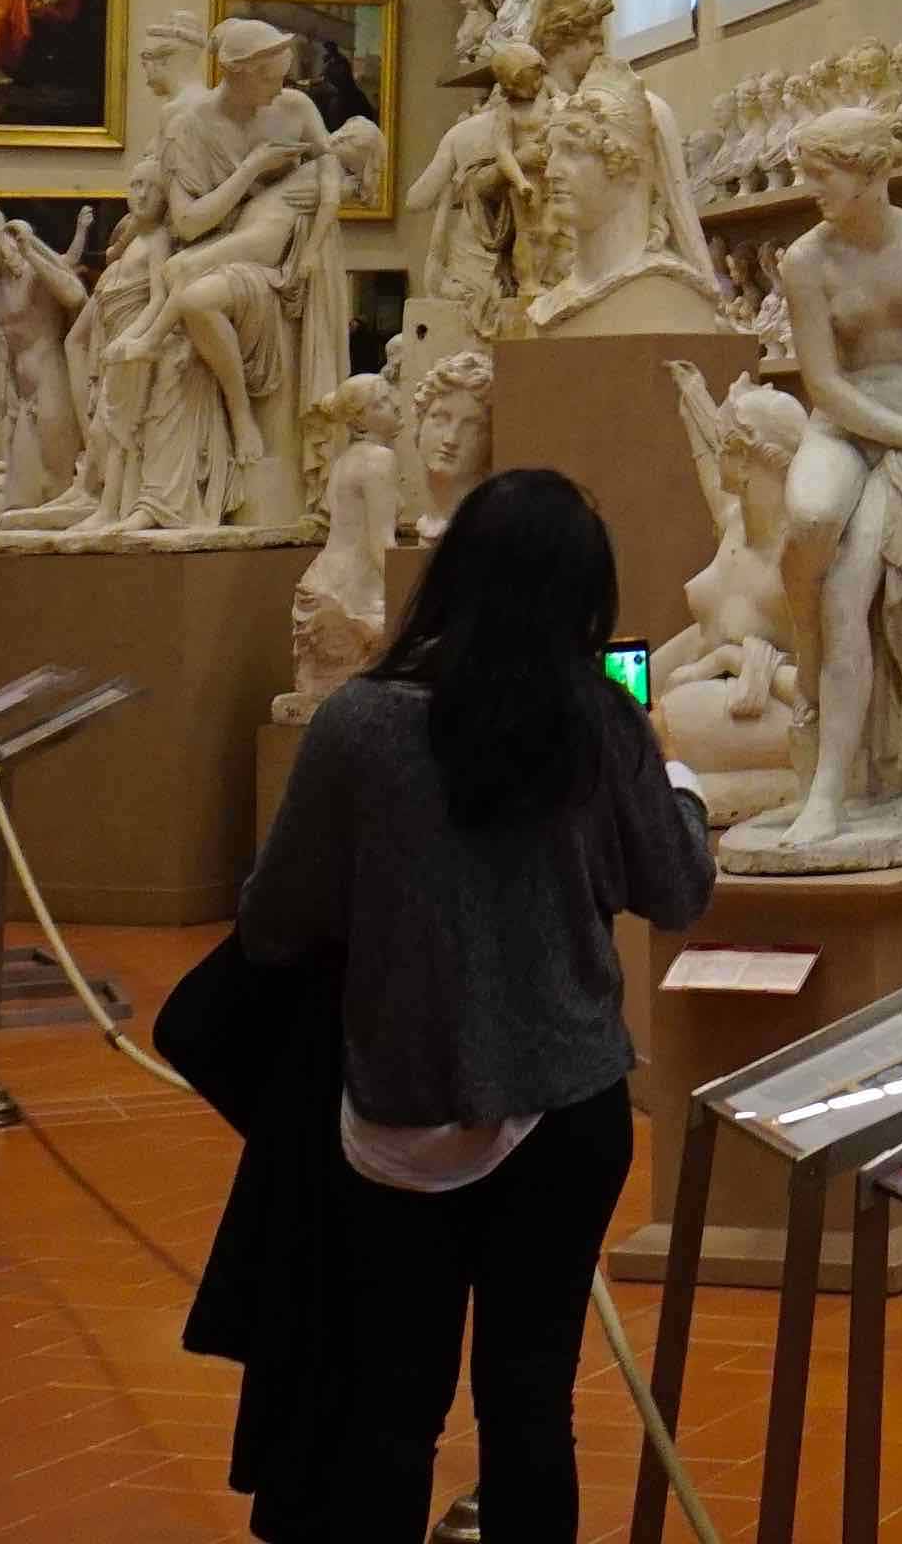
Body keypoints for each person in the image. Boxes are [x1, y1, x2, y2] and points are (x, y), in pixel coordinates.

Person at [207, 469, 714, 1544]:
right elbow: (677, 889)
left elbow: (272, 920)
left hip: (399, 1102)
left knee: (391, 1412)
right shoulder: (601, 723)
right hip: (565, 1101)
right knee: (531, 1406)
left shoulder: (357, 726)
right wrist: (677, 780)